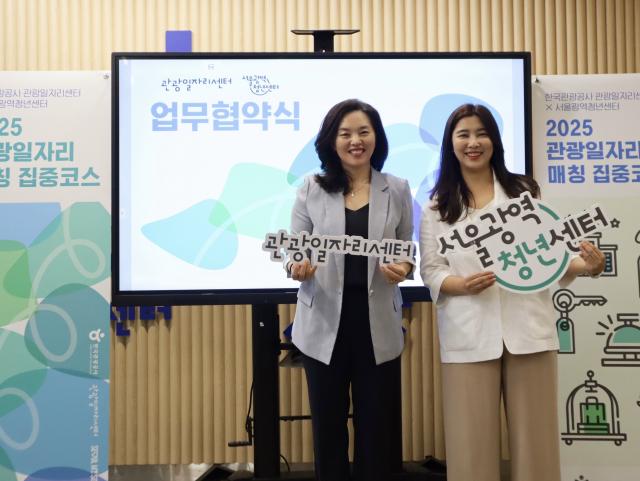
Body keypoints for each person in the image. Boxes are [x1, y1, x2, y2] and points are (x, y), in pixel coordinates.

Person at [419, 103, 605, 481]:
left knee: (537, 444)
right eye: (464, 135)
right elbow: (432, 270)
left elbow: (548, 256)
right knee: (470, 447)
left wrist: (586, 266)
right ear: (451, 144)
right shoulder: (438, 206)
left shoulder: (524, 191)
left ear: (495, 141)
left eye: (482, 133)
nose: (473, 142)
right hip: (468, 333)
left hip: (529, 330)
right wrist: (462, 285)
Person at [288, 99, 414, 481]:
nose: (355, 141)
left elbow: (406, 246)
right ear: (332, 140)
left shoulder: (397, 188)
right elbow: (296, 248)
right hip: (323, 322)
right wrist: (297, 266)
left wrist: (404, 268)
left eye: (363, 132)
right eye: (345, 134)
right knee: (328, 430)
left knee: (376, 430)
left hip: (378, 323)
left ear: (376, 137)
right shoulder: (311, 188)